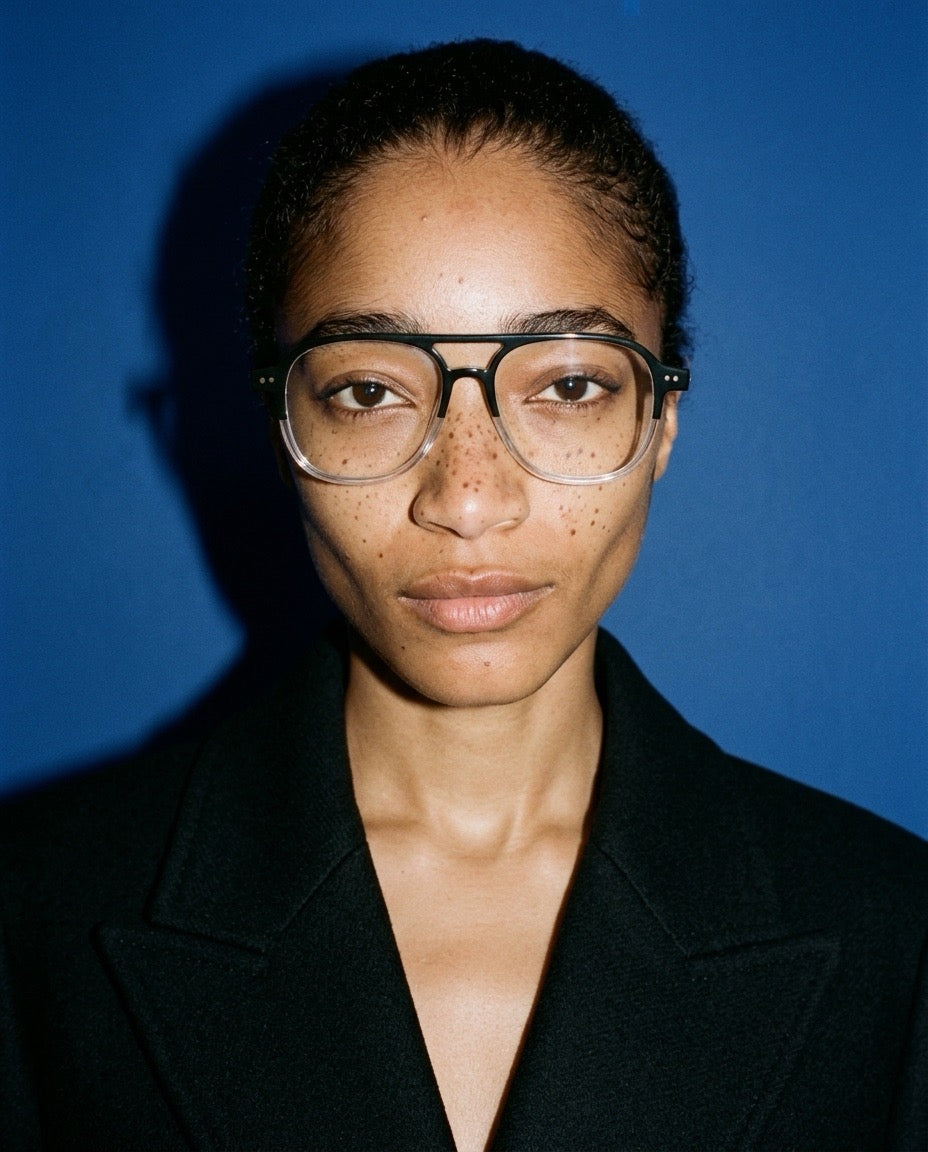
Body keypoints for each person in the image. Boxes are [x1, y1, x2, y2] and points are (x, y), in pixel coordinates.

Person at [1, 39, 925, 1152]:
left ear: (662, 422)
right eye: (370, 392)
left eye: (570, 384)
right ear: (280, 429)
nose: (467, 498)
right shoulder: (32, 920)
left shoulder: (896, 935)